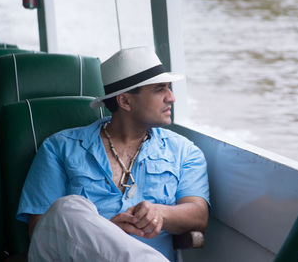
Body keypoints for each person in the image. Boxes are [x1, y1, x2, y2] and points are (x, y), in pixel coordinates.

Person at [16, 46, 210, 262]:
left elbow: (198, 215)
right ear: (125, 101)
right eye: (159, 89)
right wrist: (102, 233)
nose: (171, 97)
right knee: (67, 207)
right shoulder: (59, 148)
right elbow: (42, 233)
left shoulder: (185, 152)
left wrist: (159, 213)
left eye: (169, 88)